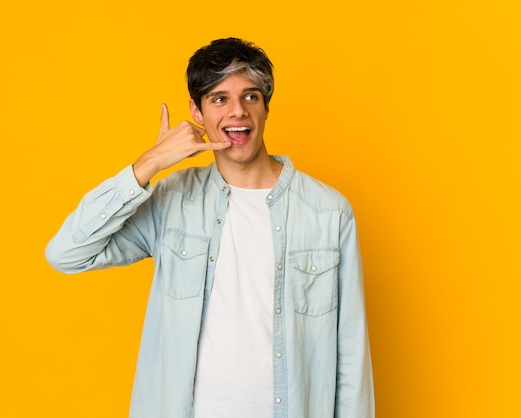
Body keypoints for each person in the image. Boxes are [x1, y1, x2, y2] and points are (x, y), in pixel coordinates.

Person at [46, 37, 374, 418]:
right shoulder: (173, 202)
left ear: (266, 106)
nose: (237, 112)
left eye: (250, 97)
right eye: (219, 99)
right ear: (196, 113)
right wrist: (150, 163)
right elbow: (66, 253)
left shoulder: (328, 212)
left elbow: (351, 355)